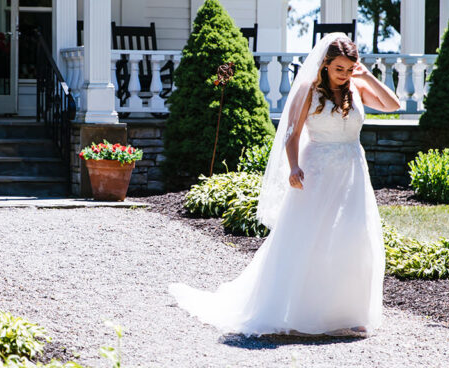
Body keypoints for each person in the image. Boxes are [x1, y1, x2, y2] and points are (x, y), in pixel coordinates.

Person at [169, 35, 400, 337]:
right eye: (338, 69)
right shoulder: (309, 91)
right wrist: (294, 166)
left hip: (353, 170)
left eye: (349, 69)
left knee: (353, 235)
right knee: (310, 237)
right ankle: (300, 309)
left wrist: (367, 75)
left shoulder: (356, 88)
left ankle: (348, 312)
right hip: (317, 168)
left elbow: (393, 104)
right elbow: (292, 133)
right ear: (326, 65)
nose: (343, 75)